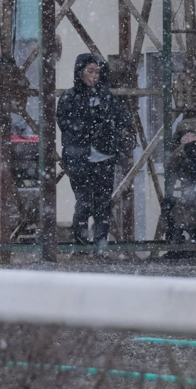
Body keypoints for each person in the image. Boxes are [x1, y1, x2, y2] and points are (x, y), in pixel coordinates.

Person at [56, 53, 130, 246]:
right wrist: (90, 126)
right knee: (84, 203)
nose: (94, 76)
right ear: (80, 72)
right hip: (79, 158)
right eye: (90, 71)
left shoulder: (106, 97)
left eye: (97, 72)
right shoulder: (69, 97)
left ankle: (100, 245)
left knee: (103, 205)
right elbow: (65, 123)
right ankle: (81, 245)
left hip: (104, 157)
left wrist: (109, 129)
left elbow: (124, 118)